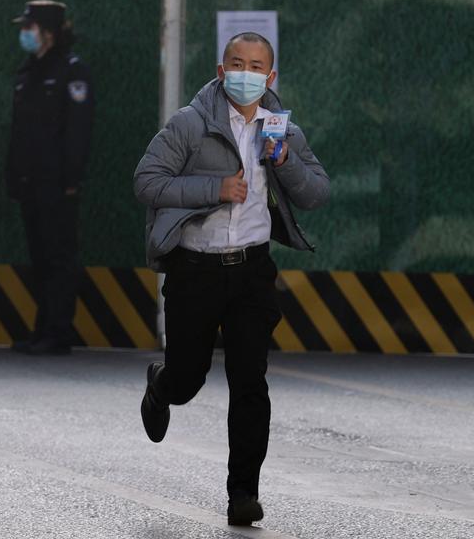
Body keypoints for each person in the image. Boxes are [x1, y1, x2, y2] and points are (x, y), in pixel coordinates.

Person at [132, 32, 329, 526]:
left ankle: (243, 493)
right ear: (222, 72)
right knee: (188, 378)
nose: (247, 73)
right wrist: (214, 188)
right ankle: (163, 386)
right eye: (237, 64)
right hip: (194, 270)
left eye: (257, 66)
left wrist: (283, 163)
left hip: (251, 273)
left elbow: (316, 193)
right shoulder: (189, 124)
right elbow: (146, 181)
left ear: (271, 76)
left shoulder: (282, 131)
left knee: (250, 382)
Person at [6, 0, 95, 356]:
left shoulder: (72, 73)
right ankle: (42, 329)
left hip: (57, 183)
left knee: (59, 258)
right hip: (30, 182)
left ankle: (58, 332)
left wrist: (71, 178)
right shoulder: (29, 72)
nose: (24, 34)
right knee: (40, 258)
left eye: (30, 28)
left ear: (49, 32)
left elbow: (78, 131)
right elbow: (19, 132)